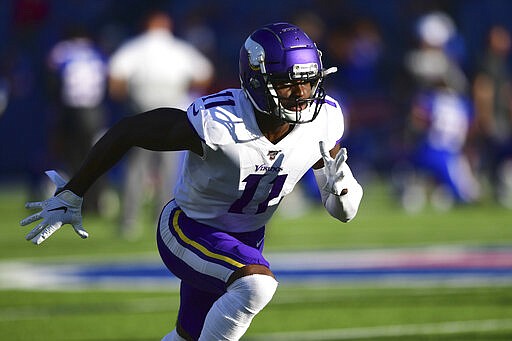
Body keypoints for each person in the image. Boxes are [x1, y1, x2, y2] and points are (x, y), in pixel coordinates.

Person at [20, 23, 363, 341]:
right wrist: (75, 190)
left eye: (308, 80)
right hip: (188, 227)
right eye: (288, 82)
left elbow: (344, 212)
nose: (301, 93)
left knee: (187, 337)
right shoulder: (219, 122)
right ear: (257, 80)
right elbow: (128, 131)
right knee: (256, 284)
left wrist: (341, 192)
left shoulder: (323, 120)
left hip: (246, 237)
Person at [108, 10, 214, 239]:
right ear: (166, 25)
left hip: (142, 109)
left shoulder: (135, 47)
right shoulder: (178, 48)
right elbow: (204, 73)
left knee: (137, 167)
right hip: (172, 109)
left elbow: (115, 79)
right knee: (168, 167)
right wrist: (184, 89)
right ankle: (163, 219)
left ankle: (129, 220)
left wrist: (129, 98)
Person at [46, 24, 109, 213]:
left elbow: (51, 80)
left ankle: (78, 202)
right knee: (97, 157)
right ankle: (96, 202)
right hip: (95, 109)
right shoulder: (97, 52)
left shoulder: (62, 51)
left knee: (74, 159)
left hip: (72, 110)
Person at [472, 24, 512, 206]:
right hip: (494, 116)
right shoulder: (488, 62)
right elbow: (483, 89)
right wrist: (485, 116)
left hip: (501, 116)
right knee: (493, 153)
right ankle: (481, 188)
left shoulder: (500, 63)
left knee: (496, 155)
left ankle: (495, 188)